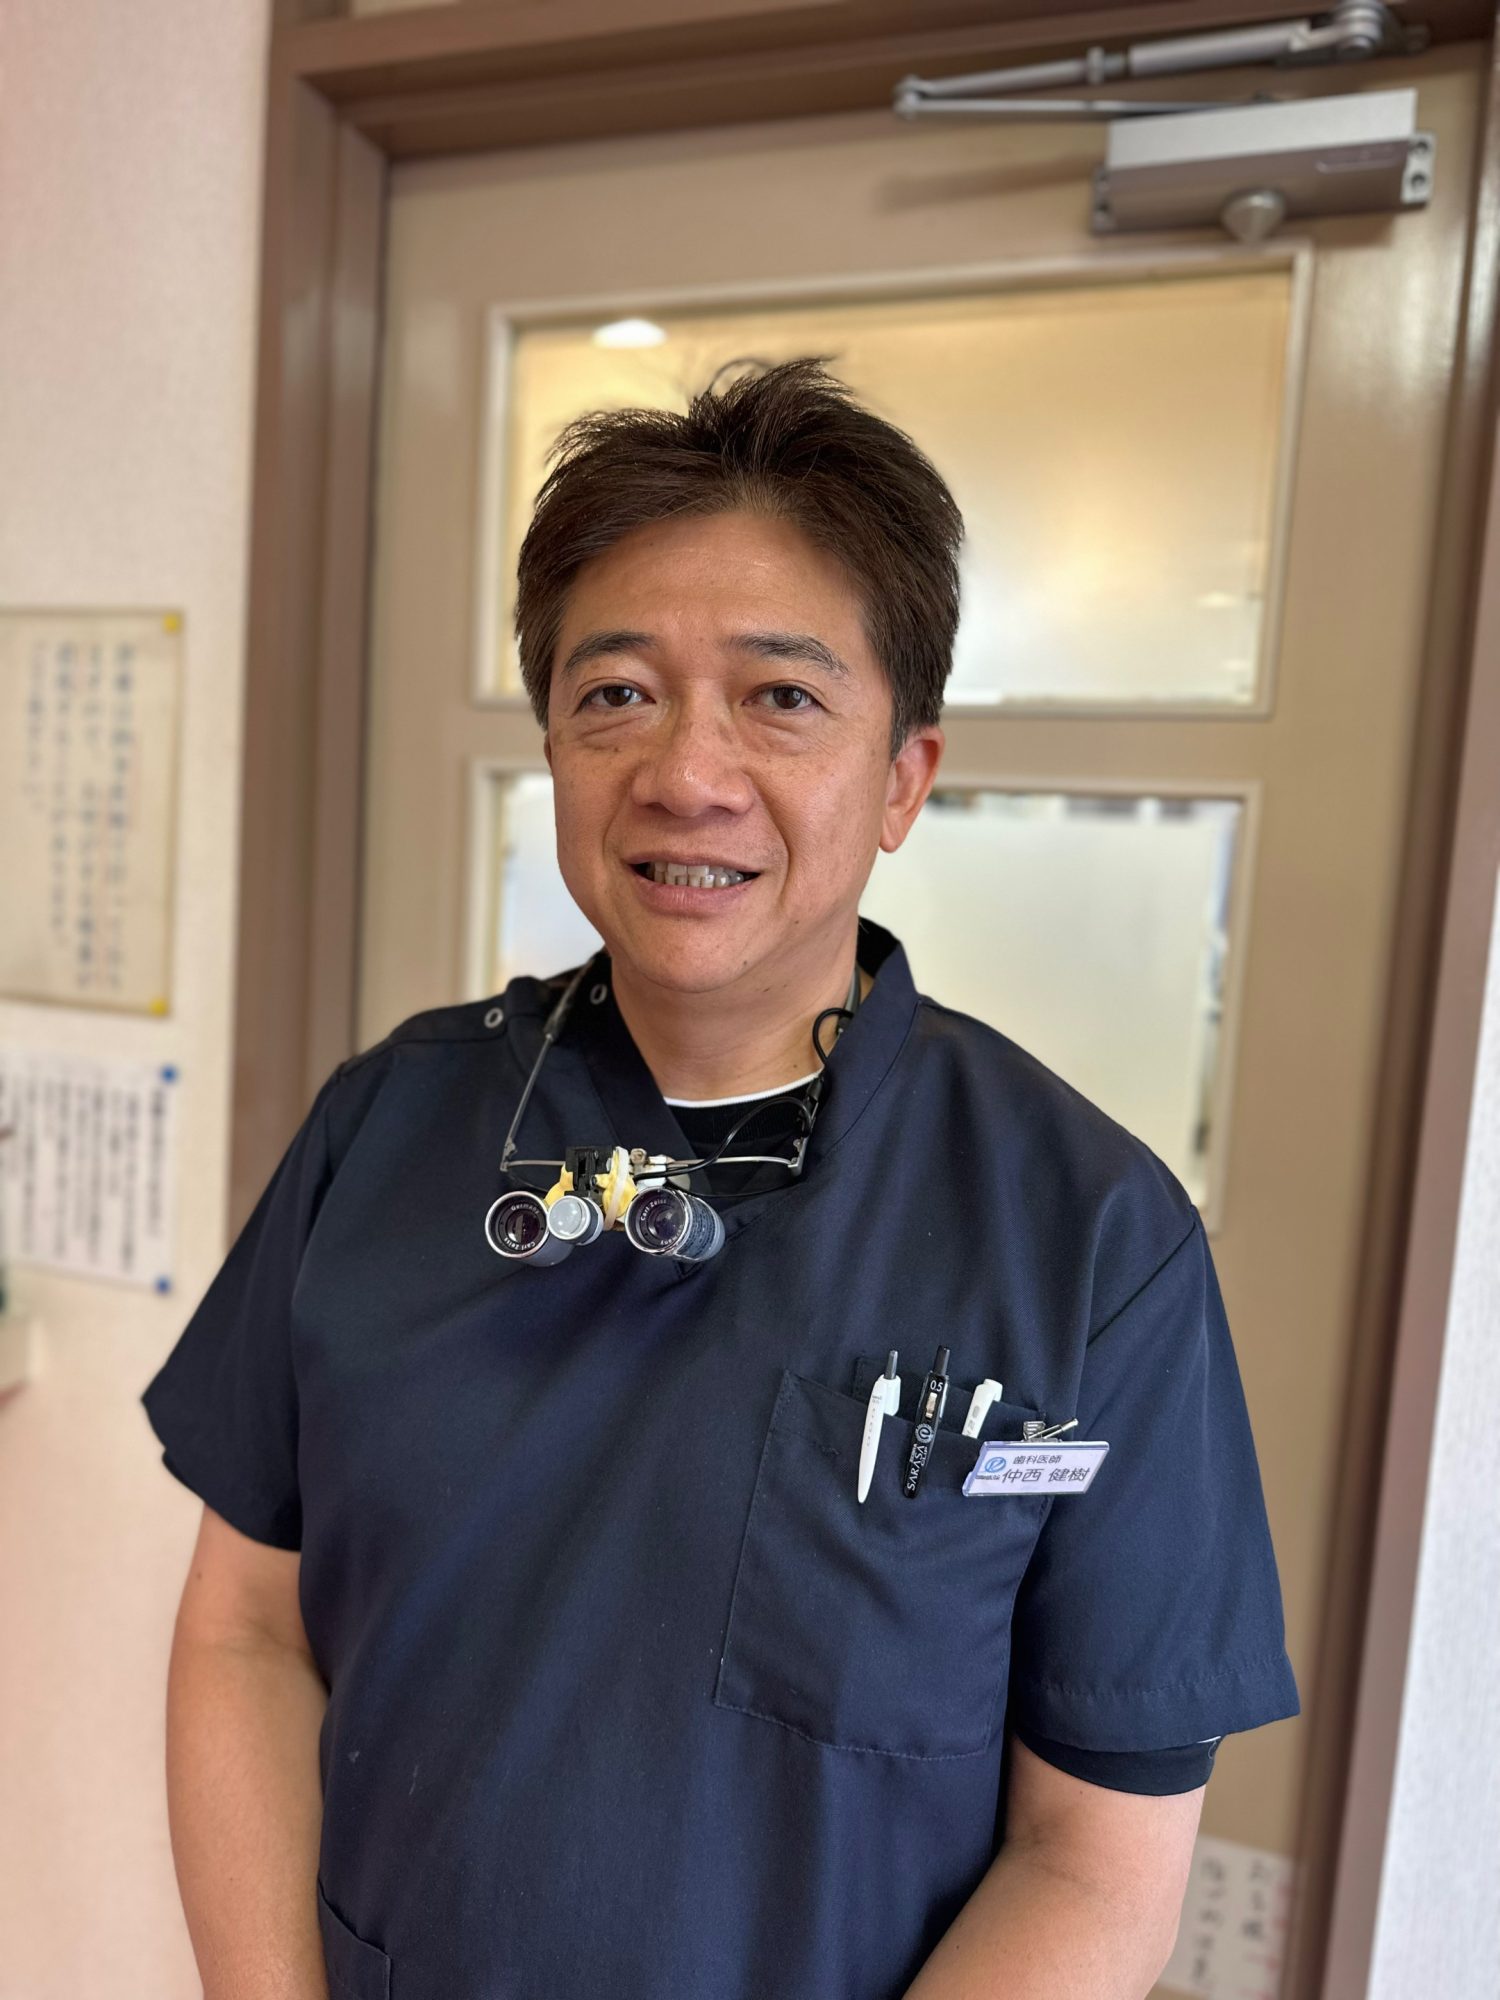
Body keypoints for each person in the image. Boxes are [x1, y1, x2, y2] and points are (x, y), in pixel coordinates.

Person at [141, 358, 1298, 2000]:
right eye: (617, 692)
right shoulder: (384, 1130)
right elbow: (244, 1630)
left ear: (903, 777)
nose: (688, 772)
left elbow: (1096, 1861)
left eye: (781, 697)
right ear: (554, 742)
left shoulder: (1088, 1240)